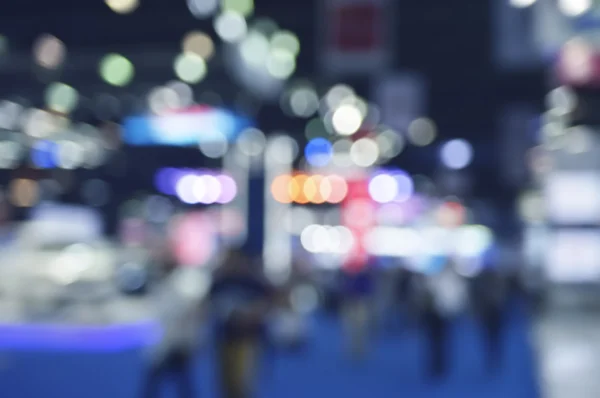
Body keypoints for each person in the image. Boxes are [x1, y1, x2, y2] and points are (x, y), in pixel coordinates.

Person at [210, 250, 273, 398]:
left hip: (247, 338)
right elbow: (209, 304)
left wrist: (250, 313)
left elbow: (267, 304)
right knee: (225, 381)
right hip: (224, 336)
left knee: (242, 381)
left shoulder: (253, 282)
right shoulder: (221, 281)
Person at [140, 264, 210, 398]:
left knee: (180, 384)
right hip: (166, 347)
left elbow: (186, 320)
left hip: (175, 346)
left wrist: (190, 343)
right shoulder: (164, 290)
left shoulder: (181, 290)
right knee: (160, 384)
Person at [422, 261, 468, 379]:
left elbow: (458, 297)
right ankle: (437, 365)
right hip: (437, 314)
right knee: (437, 341)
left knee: (439, 341)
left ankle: (439, 365)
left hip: (442, 315)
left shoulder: (444, 279)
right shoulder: (439, 279)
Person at [472, 268, 506, 372]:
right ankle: (493, 358)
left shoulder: (494, 281)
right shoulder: (494, 280)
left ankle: (495, 358)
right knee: (491, 337)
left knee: (494, 337)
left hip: (494, 312)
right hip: (489, 313)